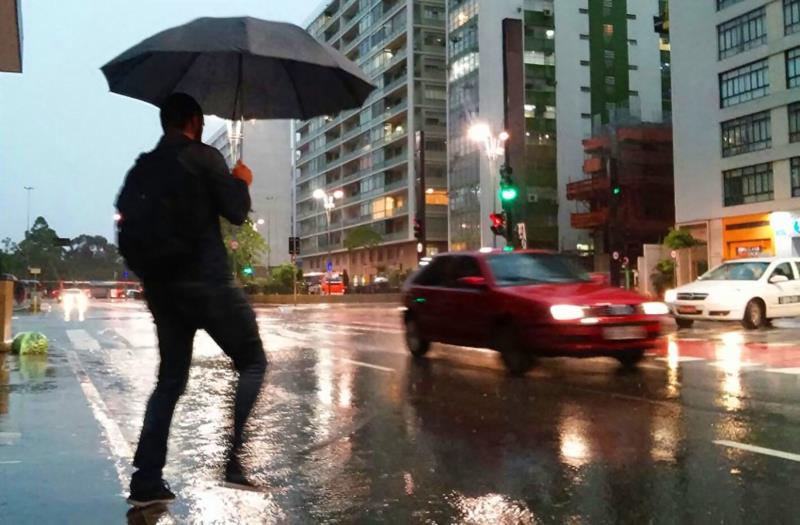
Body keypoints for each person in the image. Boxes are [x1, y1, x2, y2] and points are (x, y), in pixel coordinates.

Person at [124, 93, 267, 508]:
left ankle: (147, 480)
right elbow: (237, 212)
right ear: (194, 120)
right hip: (206, 282)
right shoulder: (204, 157)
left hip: (162, 290)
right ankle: (235, 464)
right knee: (253, 361)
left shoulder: (145, 166)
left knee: (169, 381)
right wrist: (242, 180)